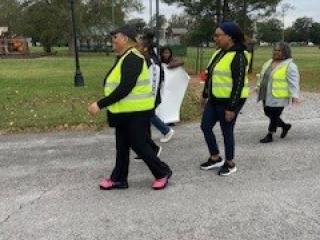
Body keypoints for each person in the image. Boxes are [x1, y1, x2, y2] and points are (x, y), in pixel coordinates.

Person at [87, 25, 172, 190]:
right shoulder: (124, 56)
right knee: (122, 147)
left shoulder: (133, 57)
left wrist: (99, 104)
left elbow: (125, 87)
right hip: (123, 112)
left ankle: (162, 172)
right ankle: (118, 178)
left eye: (115, 37)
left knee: (140, 145)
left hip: (136, 112)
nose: (112, 41)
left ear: (125, 38)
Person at [199, 21, 250, 176]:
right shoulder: (218, 53)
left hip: (231, 101)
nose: (215, 38)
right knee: (205, 126)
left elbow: (238, 84)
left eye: (218, 35)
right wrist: (205, 94)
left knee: (226, 130)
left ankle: (230, 163)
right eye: (215, 35)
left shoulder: (239, 56)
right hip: (215, 98)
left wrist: (232, 108)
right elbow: (210, 76)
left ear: (230, 37)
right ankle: (215, 157)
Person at [257, 42, 301, 143]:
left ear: (285, 52)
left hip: (279, 96)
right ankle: (285, 126)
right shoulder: (268, 62)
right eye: (275, 50)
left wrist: (294, 96)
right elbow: (263, 76)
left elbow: (293, 82)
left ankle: (270, 134)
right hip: (266, 94)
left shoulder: (290, 66)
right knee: (267, 112)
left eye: (279, 50)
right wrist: (258, 86)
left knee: (274, 115)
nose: (276, 52)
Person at [138, 32, 175, 144]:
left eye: (141, 39)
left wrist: (150, 96)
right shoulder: (150, 55)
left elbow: (154, 76)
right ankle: (147, 142)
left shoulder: (149, 57)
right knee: (147, 116)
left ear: (146, 42)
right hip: (151, 93)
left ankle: (166, 131)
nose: (139, 42)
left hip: (150, 94)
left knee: (148, 115)